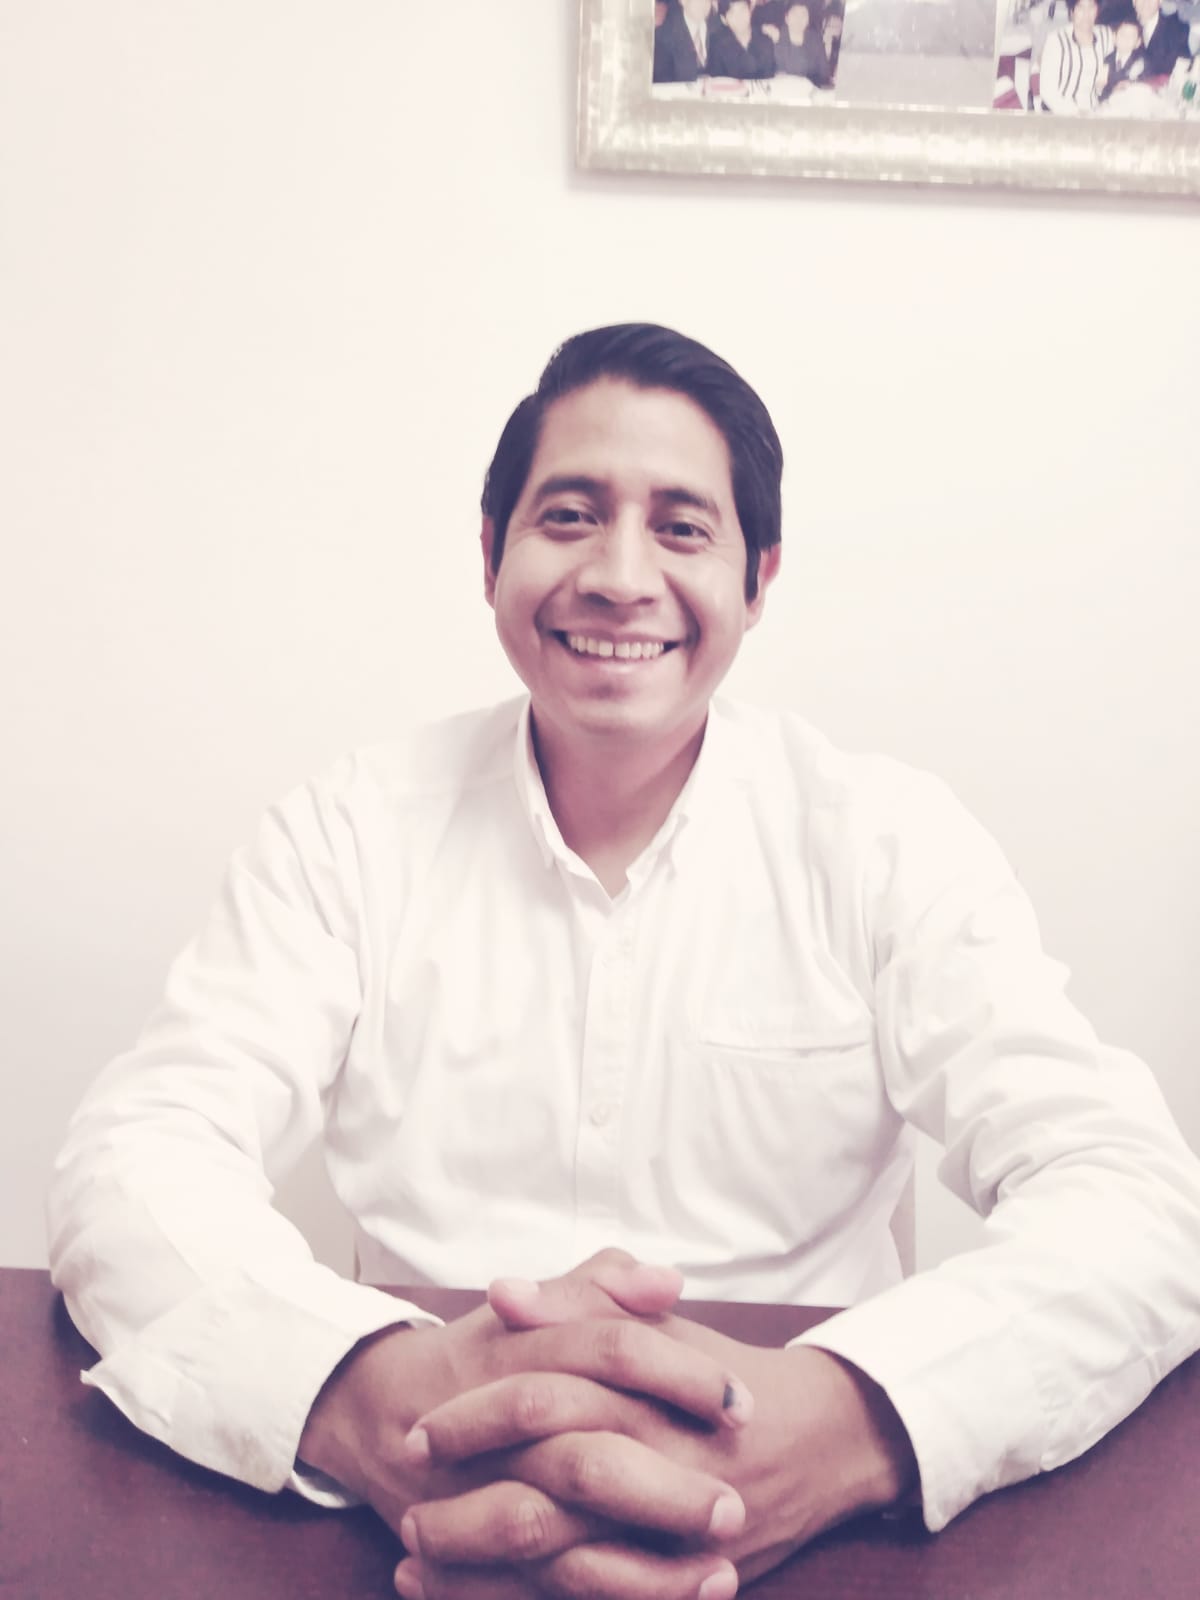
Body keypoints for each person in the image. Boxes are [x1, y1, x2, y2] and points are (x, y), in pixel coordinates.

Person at [48, 323, 1200, 1600]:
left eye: (682, 527)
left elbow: (1138, 1199)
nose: (617, 575)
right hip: (413, 1512)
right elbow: (133, 1159)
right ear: (490, 552)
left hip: (808, 1534)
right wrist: (368, 1400)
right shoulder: (348, 832)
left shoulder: (883, 840)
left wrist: (847, 1424)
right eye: (571, 515)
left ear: (758, 579)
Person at [1039, 0, 1112, 110]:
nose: (1086, 14)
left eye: (1091, 7)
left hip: (1095, 110)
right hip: (1060, 110)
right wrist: (1076, 113)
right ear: (1072, 11)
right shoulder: (1056, 40)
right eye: (1081, 7)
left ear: (1098, 10)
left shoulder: (1106, 35)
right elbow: (1047, 91)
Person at [707, 0, 777, 76]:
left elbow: (769, 75)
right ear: (724, 19)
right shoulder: (717, 43)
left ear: (750, 11)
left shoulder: (765, 40)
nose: (739, 17)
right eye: (732, 13)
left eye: (742, 10)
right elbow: (716, 78)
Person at [772, 0, 834, 84]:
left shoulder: (815, 39)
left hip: (809, 89)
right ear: (786, 18)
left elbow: (824, 72)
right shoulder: (776, 36)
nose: (799, 19)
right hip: (782, 86)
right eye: (795, 14)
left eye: (804, 15)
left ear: (808, 20)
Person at [653, 0, 715, 83]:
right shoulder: (663, 35)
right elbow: (662, 81)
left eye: (707, 1)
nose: (703, 5)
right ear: (683, 1)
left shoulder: (718, 28)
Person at [1129, 0, 1192, 75]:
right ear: (1134, 1)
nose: (1146, 2)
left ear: (1160, 1)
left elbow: (1183, 63)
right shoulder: (1122, 26)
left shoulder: (1177, 29)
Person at [1098, 10, 1147, 96]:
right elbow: (1101, 86)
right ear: (1114, 38)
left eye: (1131, 36)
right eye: (1123, 34)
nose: (1126, 39)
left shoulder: (1139, 61)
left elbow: (1141, 83)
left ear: (1138, 42)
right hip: (1109, 99)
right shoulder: (1107, 59)